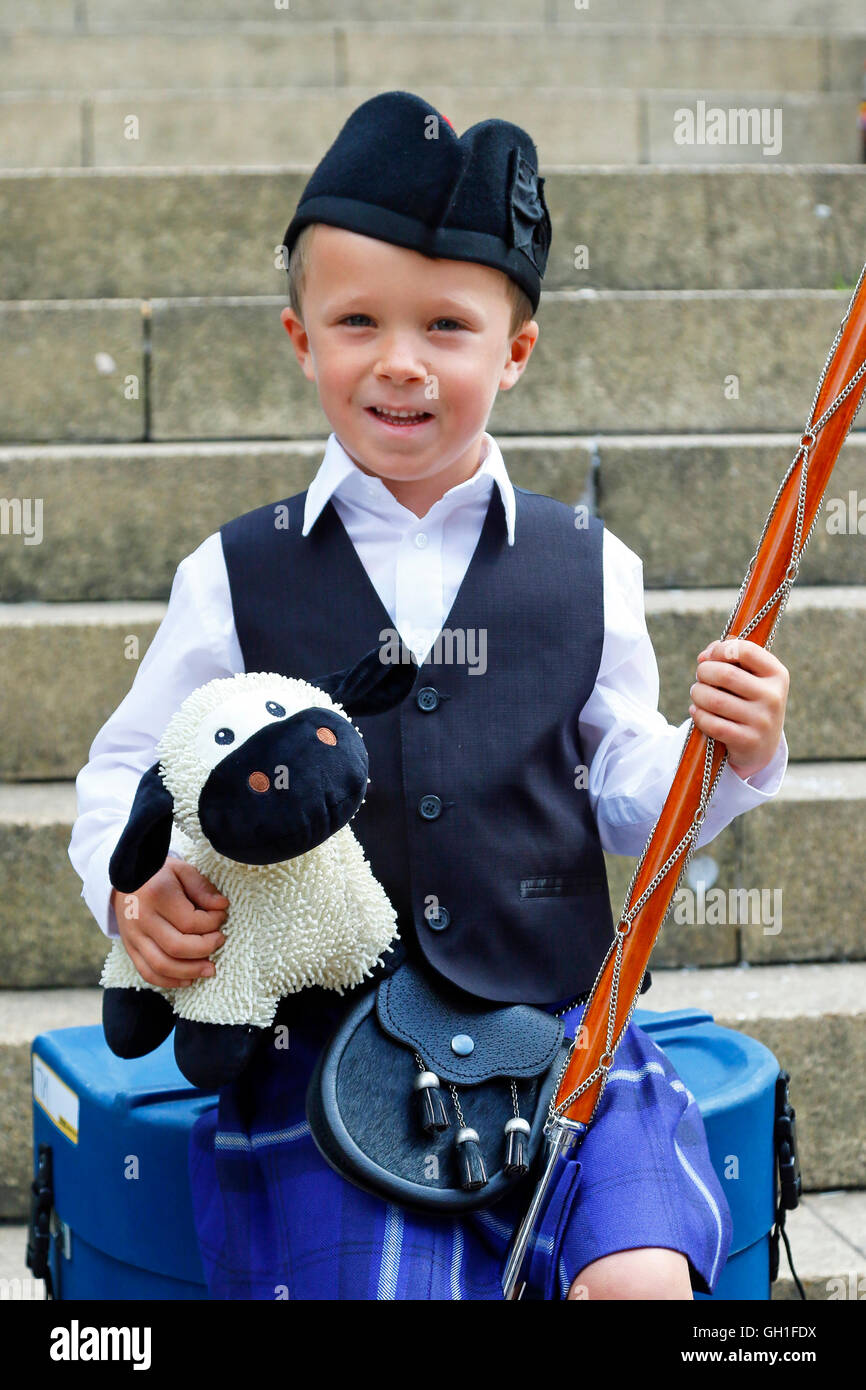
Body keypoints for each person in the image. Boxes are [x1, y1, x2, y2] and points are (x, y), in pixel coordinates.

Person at [69, 91, 790, 1301]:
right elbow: (123, 772)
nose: (399, 361)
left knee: (643, 1283)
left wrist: (721, 754)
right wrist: (129, 888)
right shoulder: (234, 573)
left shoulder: (584, 564)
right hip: (329, 1058)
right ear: (302, 340)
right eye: (357, 320)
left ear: (512, 350)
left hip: (560, 1034)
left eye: (446, 325)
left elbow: (626, 797)